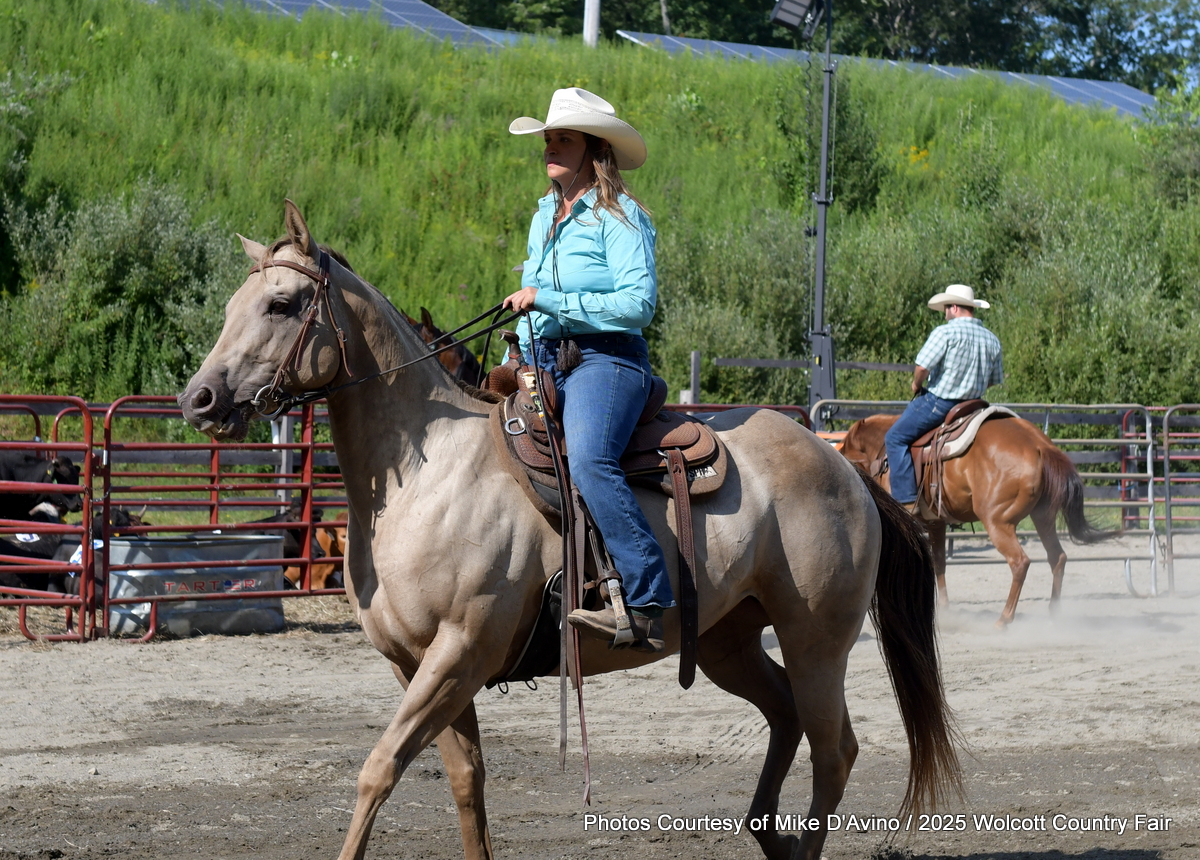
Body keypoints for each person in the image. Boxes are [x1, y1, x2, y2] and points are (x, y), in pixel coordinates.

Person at [502, 88, 674, 652]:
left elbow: (638, 305)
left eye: (563, 139)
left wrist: (550, 300)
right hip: (543, 356)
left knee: (591, 461)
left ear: (593, 149)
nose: (549, 147)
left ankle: (646, 598)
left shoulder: (620, 217)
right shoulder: (543, 217)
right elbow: (533, 303)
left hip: (608, 358)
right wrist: (515, 355)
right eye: (548, 139)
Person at [885, 284, 1003, 512]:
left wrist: (916, 384)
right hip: (974, 406)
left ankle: (906, 501)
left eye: (946, 308)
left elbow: (922, 367)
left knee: (895, 438)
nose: (945, 314)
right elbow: (993, 380)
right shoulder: (992, 339)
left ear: (954, 307)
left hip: (940, 403)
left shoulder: (945, 333)